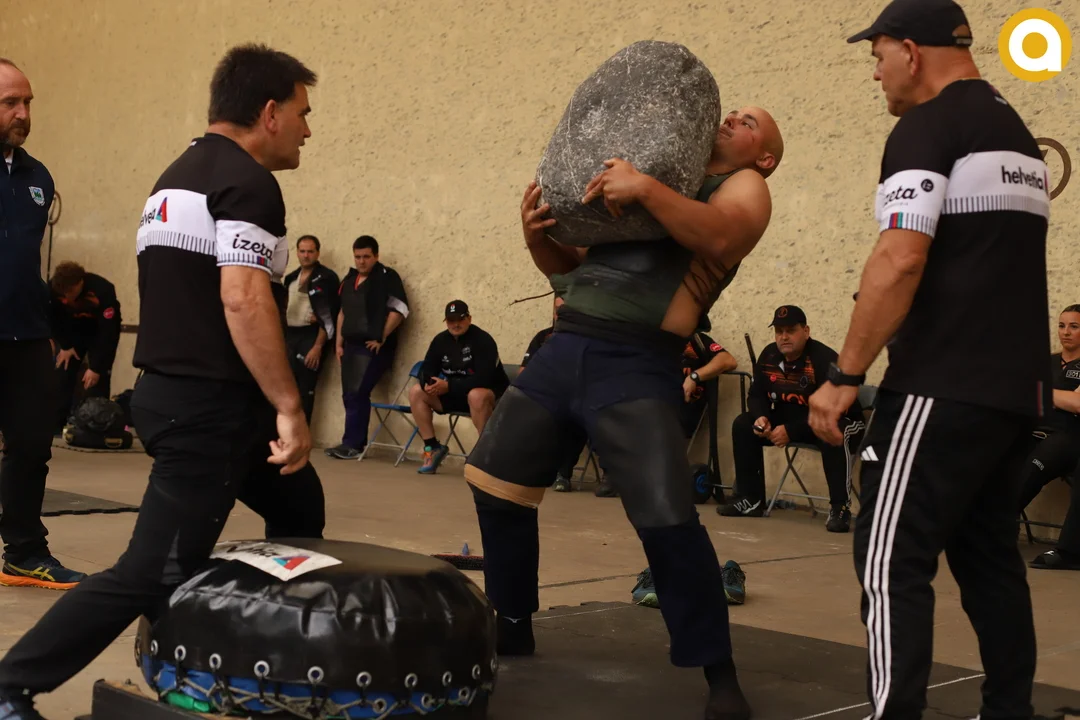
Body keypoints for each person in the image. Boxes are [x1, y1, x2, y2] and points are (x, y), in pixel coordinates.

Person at [0, 44, 327, 719]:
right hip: (204, 410)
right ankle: (11, 686)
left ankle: (280, 662)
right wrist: (290, 406)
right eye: (302, 113)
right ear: (269, 113)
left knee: (299, 509)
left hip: (193, 399)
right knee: (148, 572)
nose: (307, 129)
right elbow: (243, 298)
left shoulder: (177, 175)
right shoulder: (248, 183)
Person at [464, 105, 783, 720]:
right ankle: (513, 622)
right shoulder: (664, 178)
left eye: (750, 123)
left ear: (765, 156)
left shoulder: (745, 186)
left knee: (667, 518)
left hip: (636, 360)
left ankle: (718, 672)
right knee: (495, 479)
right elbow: (576, 271)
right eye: (734, 111)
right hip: (567, 345)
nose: (732, 118)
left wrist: (643, 187)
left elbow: (720, 237)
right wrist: (538, 238)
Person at [809, 2, 1051, 718]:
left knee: (889, 558)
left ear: (910, 51)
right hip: (1014, 392)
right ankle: (1009, 711)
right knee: (989, 559)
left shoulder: (927, 127)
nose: (875, 73)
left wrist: (845, 375)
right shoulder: (1014, 135)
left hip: (941, 385)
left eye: (877, 55)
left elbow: (899, 259)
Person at [0, 58, 88, 591]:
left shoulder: (39, 177)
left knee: (32, 446)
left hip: (26, 334)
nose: (23, 113)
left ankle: (24, 552)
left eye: (27, 102)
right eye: (10, 102)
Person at [723, 305, 863, 532]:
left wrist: (791, 431)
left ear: (806, 331)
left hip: (840, 420)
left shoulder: (824, 359)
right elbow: (756, 395)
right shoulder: (769, 355)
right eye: (779, 331)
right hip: (793, 420)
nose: (784, 337)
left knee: (834, 430)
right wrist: (761, 417)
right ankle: (751, 499)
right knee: (743, 424)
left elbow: (832, 408)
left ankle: (840, 508)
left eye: (791, 330)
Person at [327, 235, 409, 460]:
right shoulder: (349, 279)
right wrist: (338, 344)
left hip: (372, 346)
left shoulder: (386, 277)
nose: (361, 261)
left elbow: (400, 310)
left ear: (376, 256)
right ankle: (348, 442)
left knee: (358, 392)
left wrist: (380, 337)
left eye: (366, 256)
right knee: (349, 394)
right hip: (349, 346)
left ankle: (353, 445)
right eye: (357, 257)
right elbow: (342, 312)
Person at [410, 300, 510, 474]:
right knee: (416, 392)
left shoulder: (483, 340)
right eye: (451, 320)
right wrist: (429, 384)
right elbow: (427, 368)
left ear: (469, 319)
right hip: (456, 394)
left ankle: (487, 454)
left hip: (489, 395)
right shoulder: (440, 340)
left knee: (476, 395)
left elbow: (484, 378)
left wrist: (449, 386)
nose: (456, 324)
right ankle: (431, 448)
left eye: (460, 319)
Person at [1017, 305, 1080, 571]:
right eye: (1062, 325)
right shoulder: (1046, 363)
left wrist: (1041, 393)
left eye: (1074, 326)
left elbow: (1077, 404)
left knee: (1041, 457)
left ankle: (994, 523)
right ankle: (979, 526)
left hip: (1069, 437)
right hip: (1033, 430)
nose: (1066, 332)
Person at [48, 261, 122, 434]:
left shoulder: (102, 290)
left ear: (80, 282)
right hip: (72, 333)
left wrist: (96, 367)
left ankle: (96, 425)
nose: (66, 298)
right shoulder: (53, 290)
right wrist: (65, 346)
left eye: (70, 292)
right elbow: (52, 320)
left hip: (98, 332)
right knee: (63, 372)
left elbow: (108, 332)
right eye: (63, 294)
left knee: (95, 380)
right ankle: (55, 425)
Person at [282, 234, 340, 425]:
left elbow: (329, 317)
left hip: (312, 337)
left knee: (305, 388)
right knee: (287, 387)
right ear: (297, 252)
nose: (306, 255)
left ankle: (303, 433)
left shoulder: (327, 278)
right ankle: (286, 432)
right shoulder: (291, 278)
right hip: (290, 336)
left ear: (317, 253)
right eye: (302, 251)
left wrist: (317, 346)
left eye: (310, 251)